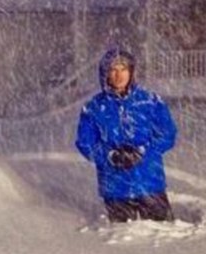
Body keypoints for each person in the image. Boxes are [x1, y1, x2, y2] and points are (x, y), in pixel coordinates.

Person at [75, 47, 177, 223]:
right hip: (115, 188)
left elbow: (167, 134)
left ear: (131, 72)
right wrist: (111, 156)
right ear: (105, 74)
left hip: (150, 183)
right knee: (124, 243)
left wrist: (142, 152)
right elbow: (85, 143)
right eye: (113, 69)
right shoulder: (93, 108)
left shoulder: (150, 101)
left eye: (123, 69)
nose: (119, 74)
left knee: (163, 238)